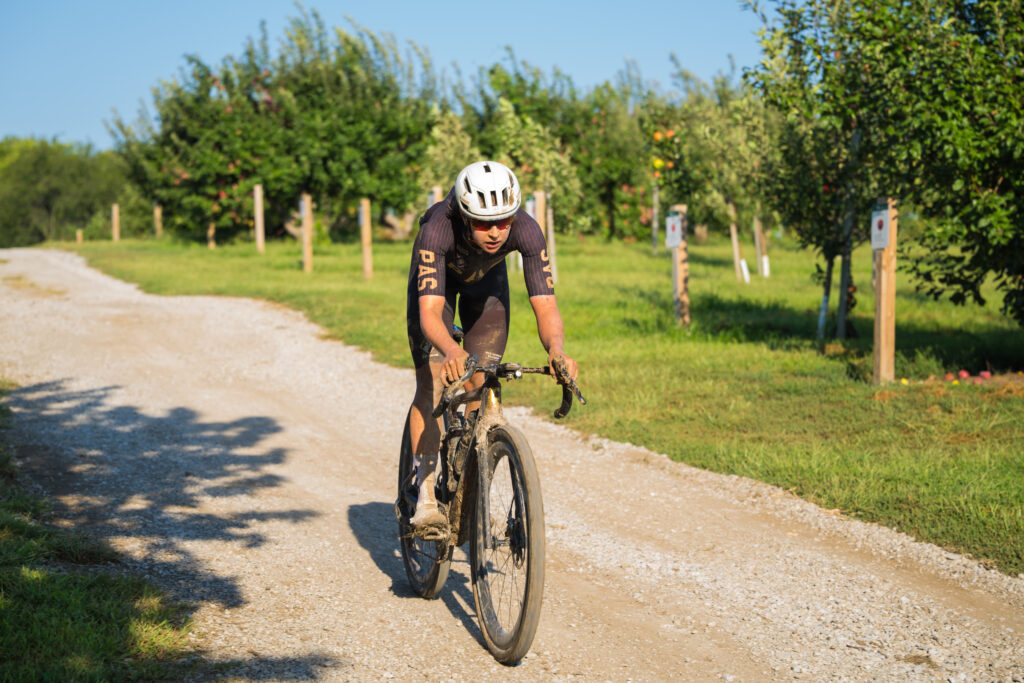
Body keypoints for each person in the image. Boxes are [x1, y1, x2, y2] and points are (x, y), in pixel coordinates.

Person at [405, 160, 578, 531]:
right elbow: (430, 312)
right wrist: (452, 350)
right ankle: (425, 497)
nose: (497, 232)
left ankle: (465, 470)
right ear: (465, 216)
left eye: (504, 220)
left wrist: (556, 349)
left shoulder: (527, 230)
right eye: (484, 223)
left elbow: (546, 305)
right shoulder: (437, 229)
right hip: (437, 292)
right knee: (432, 381)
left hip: (485, 286)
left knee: (481, 380)